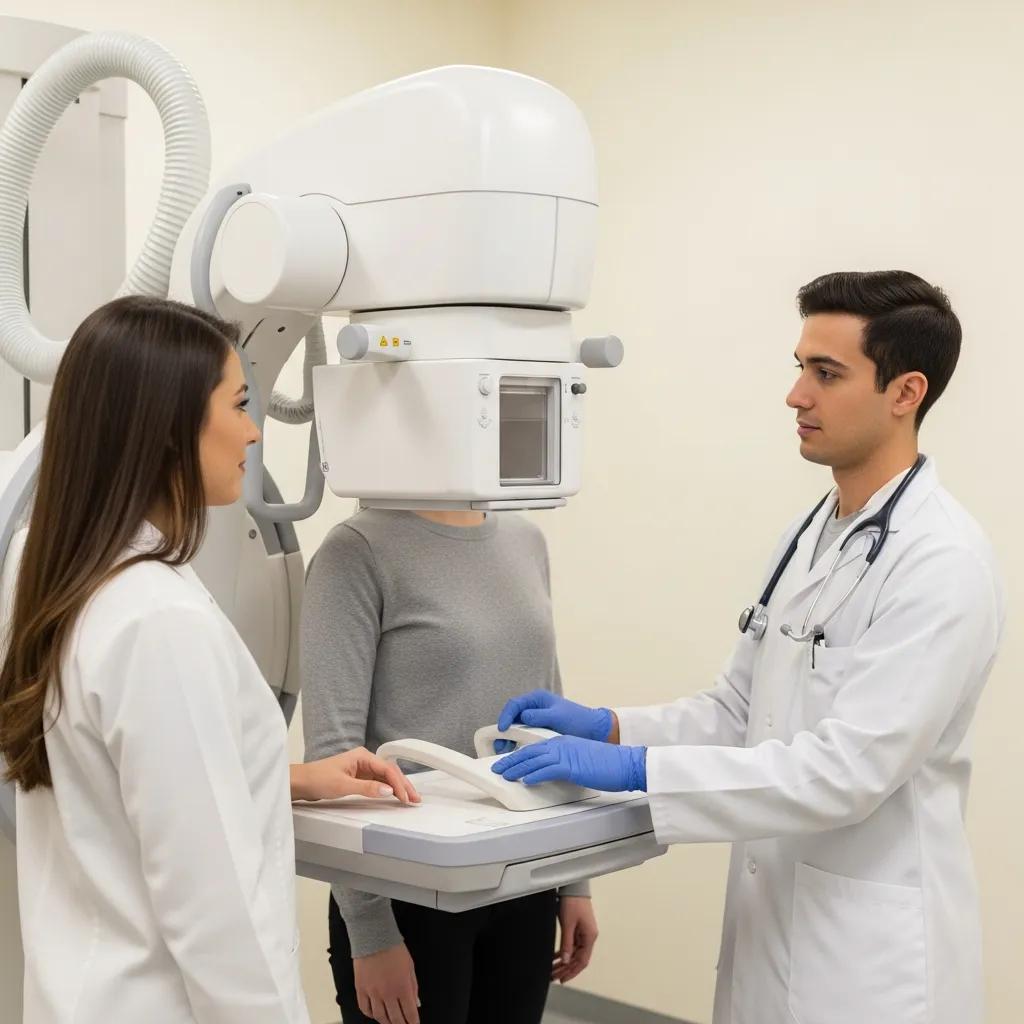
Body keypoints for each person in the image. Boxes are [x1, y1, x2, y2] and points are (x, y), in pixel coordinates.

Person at [493, 271, 1004, 1024]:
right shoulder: (813, 536)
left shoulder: (941, 561)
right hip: (774, 941)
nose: (797, 395)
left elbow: (847, 772)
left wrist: (638, 771)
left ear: (906, 393)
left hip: (872, 972)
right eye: (800, 368)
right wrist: (610, 727)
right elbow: (742, 710)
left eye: (826, 374)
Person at [0, 296, 418, 1024]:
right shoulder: (157, 621)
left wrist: (282, 778)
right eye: (240, 403)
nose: (255, 430)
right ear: (167, 430)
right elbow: (218, 917)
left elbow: (119, 785)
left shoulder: (62, 581)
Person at [302, 507, 599, 1024]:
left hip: (524, 880)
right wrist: (370, 933)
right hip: (406, 893)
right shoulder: (355, 549)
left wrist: (576, 880)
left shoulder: (525, 539)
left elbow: (549, 719)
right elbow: (333, 752)